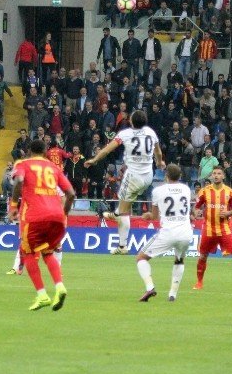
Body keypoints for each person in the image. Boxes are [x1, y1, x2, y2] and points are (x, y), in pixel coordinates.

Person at [84, 110, 165, 255]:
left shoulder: (125, 134)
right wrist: (159, 163)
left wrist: (94, 160)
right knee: (124, 209)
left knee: (122, 212)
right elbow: (158, 153)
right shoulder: (151, 132)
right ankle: (120, 239)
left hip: (133, 176)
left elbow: (107, 150)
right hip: (148, 176)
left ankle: (113, 222)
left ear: (131, 122)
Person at [9, 139, 76, 311]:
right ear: (46, 151)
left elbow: (19, 181)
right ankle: (60, 286)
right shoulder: (54, 168)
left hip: (34, 216)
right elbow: (71, 194)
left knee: (28, 253)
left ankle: (42, 295)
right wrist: (64, 213)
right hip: (56, 217)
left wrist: (14, 205)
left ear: (29, 151)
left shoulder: (23, 163)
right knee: (48, 252)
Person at [136, 164, 193, 302]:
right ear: (180, 176)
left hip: (168, 232)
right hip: (186, 232)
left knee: (141, 258)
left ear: (166, 175)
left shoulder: (157, 191)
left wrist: (147, 215)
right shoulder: (186, 189)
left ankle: (150, 288)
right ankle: (172, 294)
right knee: (179, 260)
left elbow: (155, 216)